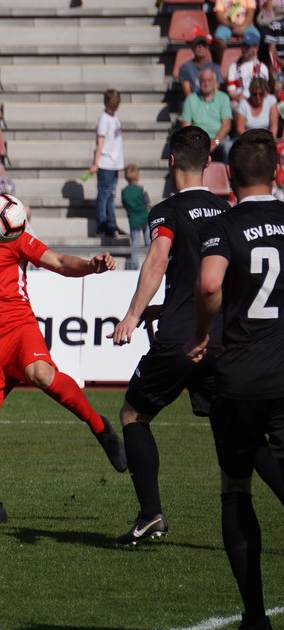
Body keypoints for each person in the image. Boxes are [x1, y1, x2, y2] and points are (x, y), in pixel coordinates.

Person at [0, 176, 126, 526]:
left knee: (40, 373)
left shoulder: (13, 238)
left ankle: (101, 428)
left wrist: (91, 266)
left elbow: (60, 262)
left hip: (20, 332)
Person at [108, 126, 232, 545]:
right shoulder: (224, 209)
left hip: (180, 339)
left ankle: (150, 515)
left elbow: (159, 259)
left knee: (132, 415)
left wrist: (132, 314)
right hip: (221, 339)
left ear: (172, 161)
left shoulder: (167, 211)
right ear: (209, 163)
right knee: (238, 429)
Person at [188, 127, 284, 630]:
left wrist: (203, 333)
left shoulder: (225, 226)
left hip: (241, 378)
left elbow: (208, 285)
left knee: (236, 486)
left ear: (228, 174)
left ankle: (254, 620)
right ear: (274, 172)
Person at [89, 88, 125, 237]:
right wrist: (95, 163)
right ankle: (102, 225)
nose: (114, 108)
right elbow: (100, 142)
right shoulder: (104, 119)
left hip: (114, 163)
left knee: (110, 195)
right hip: (105, 163)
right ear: (106, 103)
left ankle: (111, 224)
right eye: (112, 105)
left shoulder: (114, 118)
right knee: (104, 195)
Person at [181, 68, 233, 163]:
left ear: (214, 82)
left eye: (209, 80)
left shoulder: (223, 98)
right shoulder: (190, 99)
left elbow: (227, 125)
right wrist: (196, 141)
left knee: (229, 146)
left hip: (219, 140)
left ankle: (229, 177)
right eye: (203, 80)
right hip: (197, 140)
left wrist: (215, 142)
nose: (206, 83)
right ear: (199, 82)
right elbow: (186, 126)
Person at [120, 164, 151, 270]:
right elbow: (147, 202)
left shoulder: (124, 192)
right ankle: (150, 264)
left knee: (135, 244)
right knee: (148, 242)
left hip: (133, 220)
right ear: (137, 176)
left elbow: (124, 204)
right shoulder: (142, 189)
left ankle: (134, 266)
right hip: (145, 218)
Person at [226, 32, 269, 108]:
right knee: (237, 109)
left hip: (257, 100)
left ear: (256, 48)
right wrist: (239, 97)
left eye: (247, 47)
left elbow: (264, 91)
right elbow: (231, 92)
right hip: (239, 101)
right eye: (243, 46)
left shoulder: (262, 68)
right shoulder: (233, 67)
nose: (244, 49)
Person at [213, 0, 261, 65]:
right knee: (219, 38)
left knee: (256, 36)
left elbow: (250, 12)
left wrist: (243, 28)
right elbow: (219, 15)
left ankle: (252, 64)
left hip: (245, 24)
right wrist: (229, 25)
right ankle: (222, 63)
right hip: (227, 24)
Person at [179, 31, 222, 99]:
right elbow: (187, 92)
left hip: (210, 102)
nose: (200, 47)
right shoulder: (185, 68)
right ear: (192, 48)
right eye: (197, 45)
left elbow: (215, 90)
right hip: (193, 102)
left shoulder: (215, 68)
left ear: (207, 48)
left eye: (203, 45)